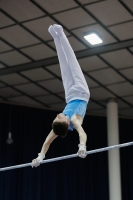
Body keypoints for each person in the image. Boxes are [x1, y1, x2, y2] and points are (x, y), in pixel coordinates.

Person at [31, 24, 90, 168]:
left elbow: (47, 142)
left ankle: (55, 37)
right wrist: (82, 146)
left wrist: (40, 157)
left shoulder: (57, 127)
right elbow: (82, 134)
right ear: (66, 123)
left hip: (70, 94)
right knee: (71, 60)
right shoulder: (74, 120)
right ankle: (61, 34)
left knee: (63, 64)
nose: (58, 113)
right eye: (59, 117)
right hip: (82, 92)